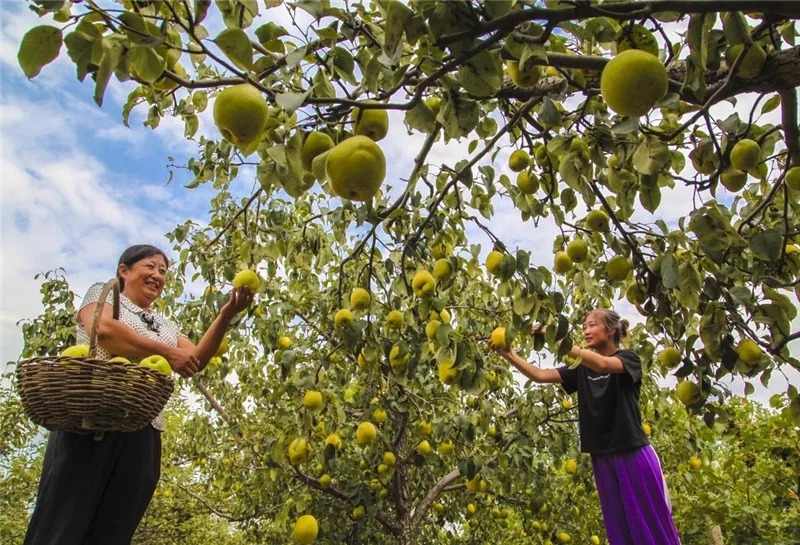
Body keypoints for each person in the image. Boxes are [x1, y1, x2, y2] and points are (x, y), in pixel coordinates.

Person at [24, 244, 254, 545]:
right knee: (62, 524)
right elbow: (104, 330)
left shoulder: (164, 324)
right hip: (92, 420)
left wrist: (226, 314)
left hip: (143, 430)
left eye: (163, 271)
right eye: (150, 266)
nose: (158, 275)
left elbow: (194, 359)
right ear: (124, 270)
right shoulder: (103, 294)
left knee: (114, 529)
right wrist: (166, 351)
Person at [494, 308, 681, 545]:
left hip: (632, 453)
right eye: (584, 326)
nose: (586, 330)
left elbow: (603, 364)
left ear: (611, 330)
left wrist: (556, 339)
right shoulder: (581, 368)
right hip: (602, 458)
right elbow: (540, 375)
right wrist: (508, 354)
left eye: (592, 325)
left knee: (651, 525)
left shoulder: (629, 359)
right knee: (620, 530)